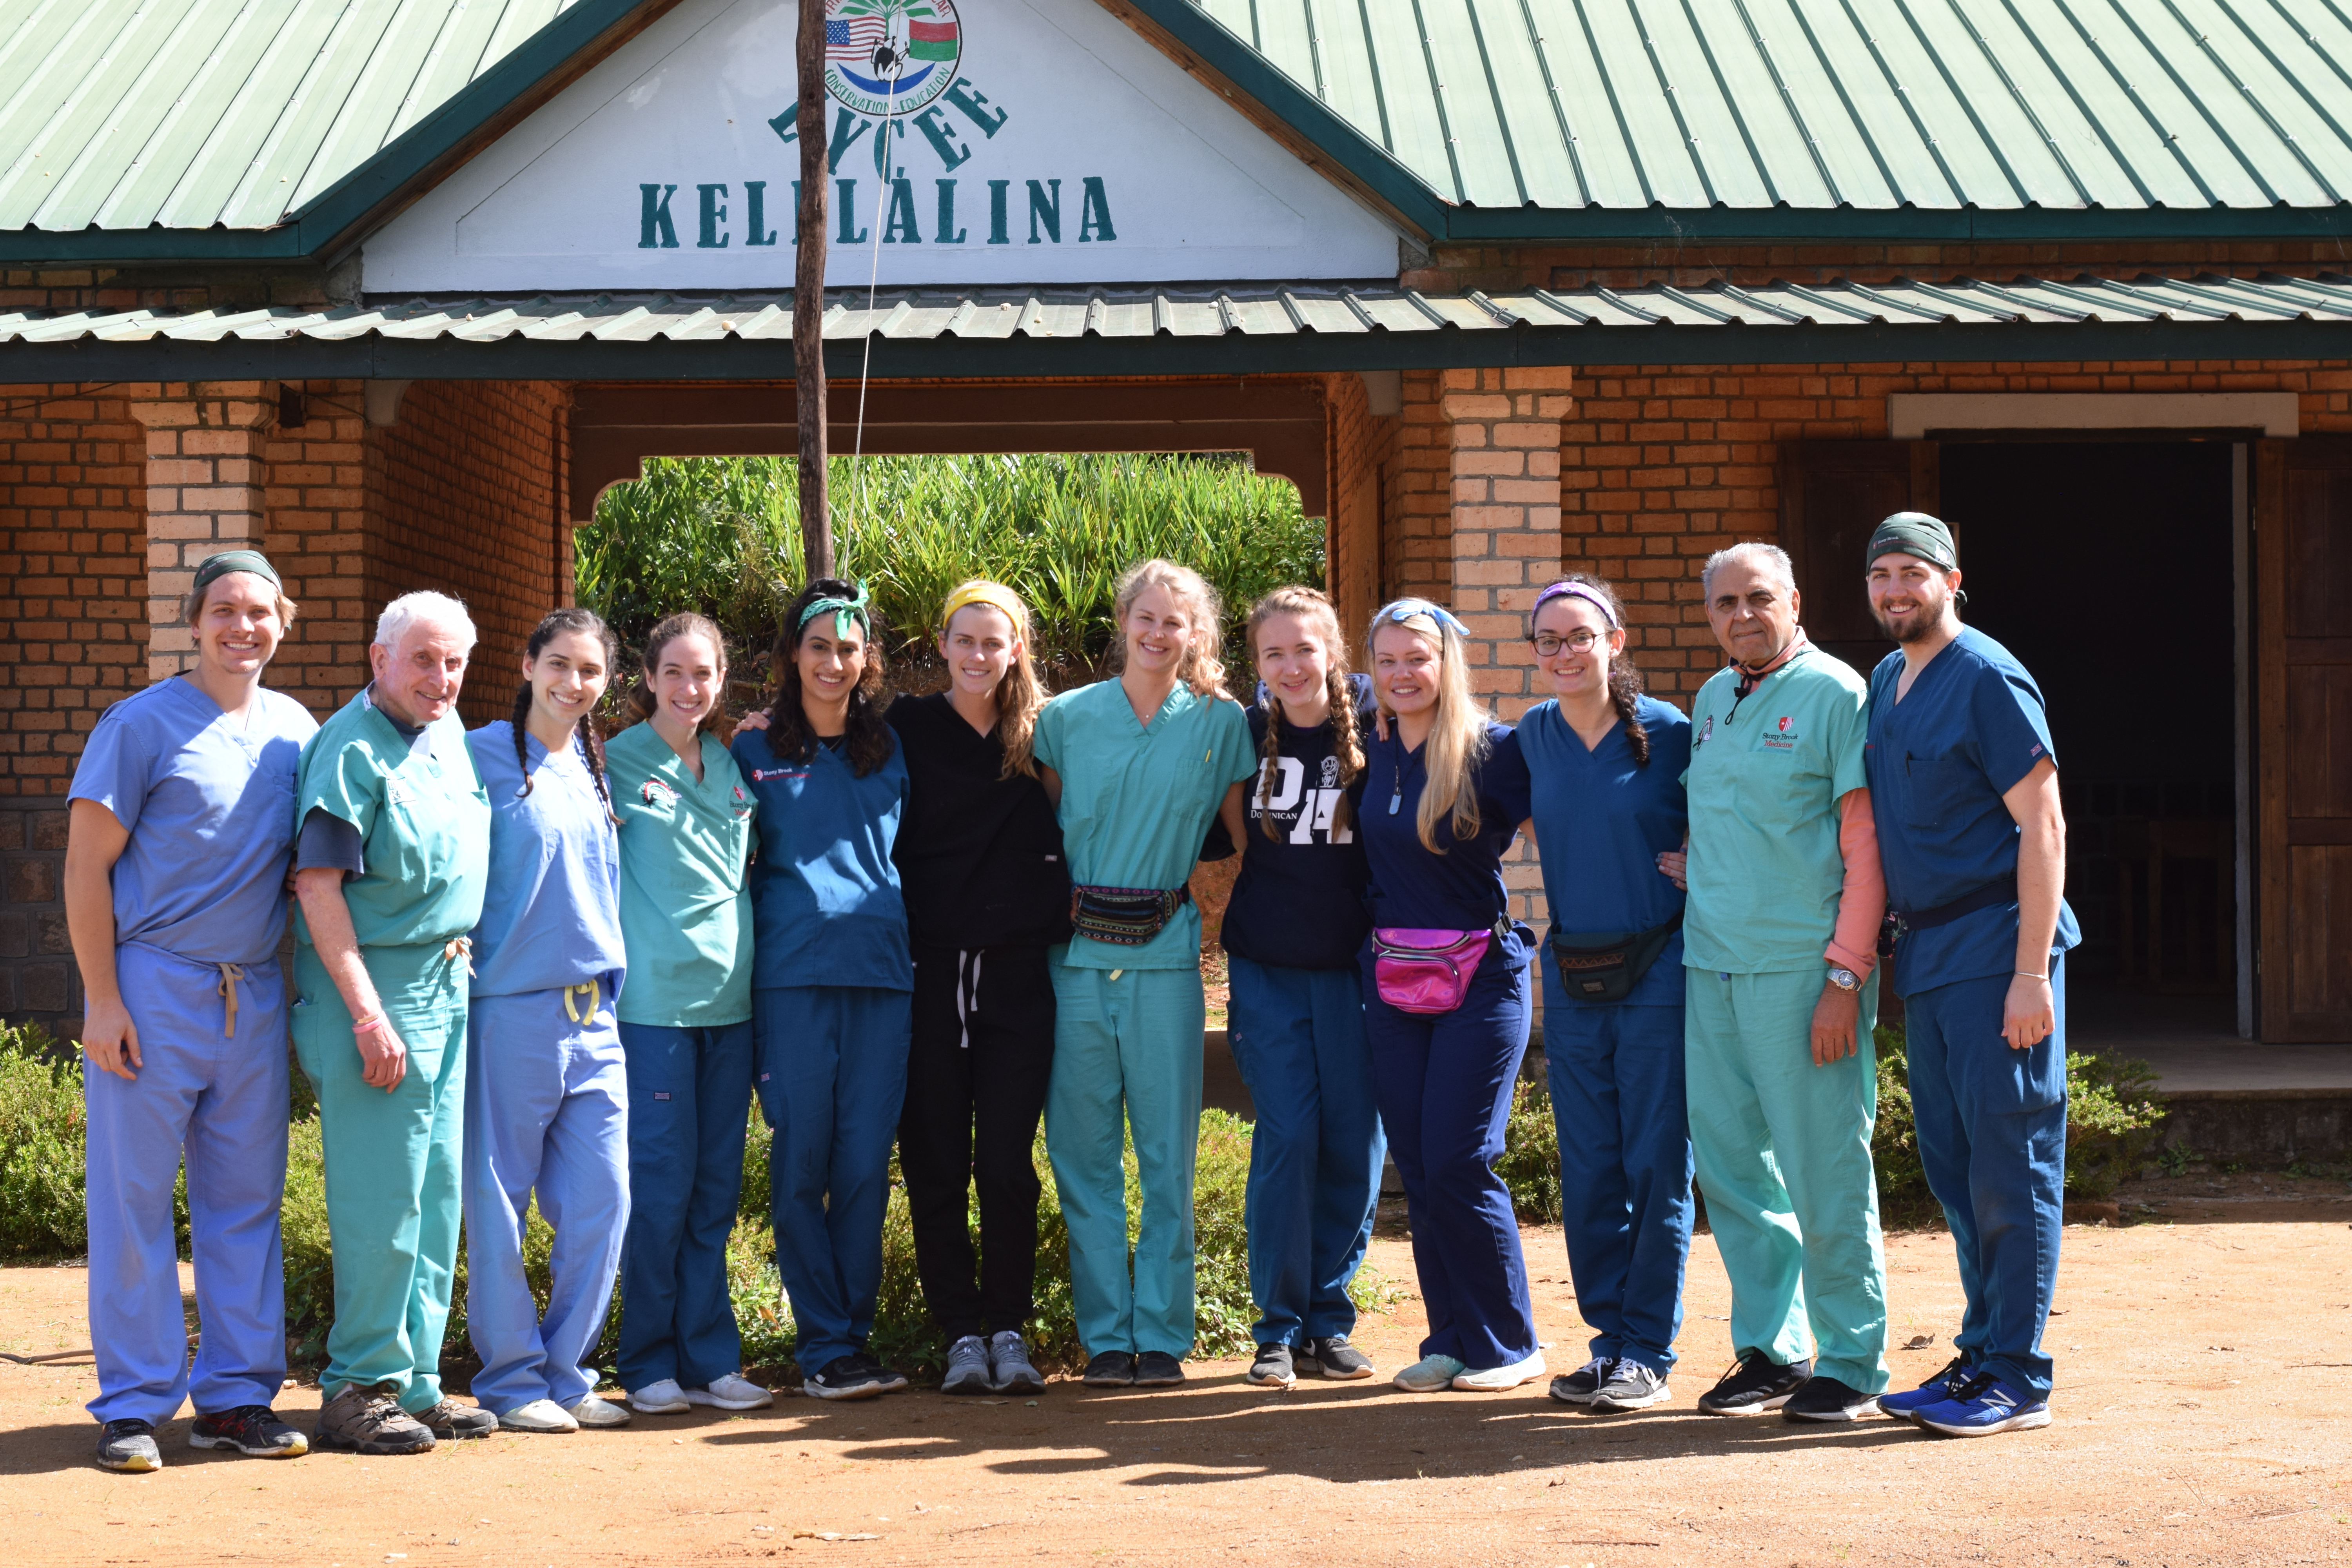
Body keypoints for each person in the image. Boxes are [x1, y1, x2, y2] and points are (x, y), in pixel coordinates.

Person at [64, 550, 319, 1472]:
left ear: (283, 620)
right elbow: (84, 865)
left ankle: (236, 1398)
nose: (241, 626)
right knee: (132, 1200)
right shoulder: (140, 726)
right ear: (194, 620)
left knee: (244, 1200)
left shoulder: (297, 729)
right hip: (152, 988)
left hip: (249, 992)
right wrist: (102, 998)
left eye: (258, 610)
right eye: (223, 610)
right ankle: (133, 1404)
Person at [1860, 513, 2077, 1438]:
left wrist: (2032, 971)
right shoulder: (1885, 678)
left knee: (2011, 1164)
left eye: (1914, 572)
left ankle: (2020, 1375)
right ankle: (1983, 1352)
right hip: (1932, 956)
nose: (1896, 589)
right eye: (1882, 575)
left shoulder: (1987, 676)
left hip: (1999, 950)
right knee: (1956, 1168)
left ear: (1954, 579)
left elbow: (2045, 824)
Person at [1680, 543, 1891, 1423]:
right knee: (1735, 1175)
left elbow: (1866, 843)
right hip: (1712, 965)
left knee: (1825, 1168)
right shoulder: (1714, 696)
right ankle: (1774, 1347)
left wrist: (1845, 974)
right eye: (1725, 602)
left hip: (1804, 973)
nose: (1742, 615)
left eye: (1758, 598)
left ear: (1795, 600)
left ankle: (1851, 1356)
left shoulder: (1837, 693)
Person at [1033, 559, 1254, 1390]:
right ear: (1123, 622)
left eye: (1177, 622)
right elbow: (1044, 834)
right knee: (1082, 1153)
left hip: (1166, 956)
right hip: (1076, 962)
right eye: (1146, 618)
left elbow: (1243, 843)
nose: (1160, 634)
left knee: (1169, 1154)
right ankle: (1103, 1338)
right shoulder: (1064, 719)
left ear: (1197, 632)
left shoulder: (1220, 723)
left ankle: (1160, 1335)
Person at [292, 591, 497, 1453]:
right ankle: (357, 1384)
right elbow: (317, 885)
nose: (441, 677)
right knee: (384, 1200)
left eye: (454, 661)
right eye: (423, 659)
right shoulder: (350, 748)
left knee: (437, 1192)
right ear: (379, 659)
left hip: (449, 984)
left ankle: (413, 1377)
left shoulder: (445, 735)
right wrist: (369, 1014)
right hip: (380, 993)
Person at [1517, 575, 1695, 1414]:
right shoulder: (1531, 737)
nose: (1564, 652)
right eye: (1547, 640)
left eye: (1579, 635)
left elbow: (1743, 815)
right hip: (1574, 974)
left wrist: (1712, 865)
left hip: (1659, 972)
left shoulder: (1671, 733)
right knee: (1589, 1168)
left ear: (1615, 640)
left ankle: (1648, 1349)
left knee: (1656, 1164)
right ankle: (1607, 1341)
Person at [1357, 598, 1544, 1395]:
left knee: (1464, 1159)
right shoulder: (1366, 747)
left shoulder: (1495, 751)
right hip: (1395, 973)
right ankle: (1452, 1338)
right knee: (1424, 1164)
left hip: (1483, 975)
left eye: (1418, 658)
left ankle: (1509, 1343)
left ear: (1447, 663)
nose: (1403, 673)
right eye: (1388, 660)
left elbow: (1577, 817)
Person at [733, 578, 914, 1400]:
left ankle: (856, 1338)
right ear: (790, 656)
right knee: (802, 1162)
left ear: (867, 658)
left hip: (880, 972)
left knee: (866, 1164)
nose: (833, 662)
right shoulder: (753, 747)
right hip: (794, 974)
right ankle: (822, 1344)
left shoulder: (891, 748)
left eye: (848, 648)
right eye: (818, 647)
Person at [887, 581, 1068, 1397]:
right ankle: (959, 1330)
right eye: (964, 640)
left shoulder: (1047, 734)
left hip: (1018, 974)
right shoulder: (905, 727)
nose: (978, 655)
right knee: (933, 1158)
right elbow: (821, 748)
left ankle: (1008, 1326)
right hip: (929, 971)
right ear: (942, 643)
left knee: (1004, 1160)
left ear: (1017, 647)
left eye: (994, 641)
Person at [461, 608, 633, 1433]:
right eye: (559, 663)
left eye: (591, 670)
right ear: (528, 664)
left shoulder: (596, 768)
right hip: (511, 1012)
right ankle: (509, 1377)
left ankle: (567, 1371)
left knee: (604, 1200)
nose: (574, 682)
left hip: (596, 1017)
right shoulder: (478, 754)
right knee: (498, 1200)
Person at [606, 613, 772, 1417]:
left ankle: (711, 1360)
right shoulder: (615, 760)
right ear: (647, 675)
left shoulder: (737, 765)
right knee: (661, 1189)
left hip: (731, 1008)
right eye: (674, 671)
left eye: (703, 672)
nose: (690, 687)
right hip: (653, 1010)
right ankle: (645, 1363)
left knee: (714, 1190)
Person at [1219, 586, 1383, 1390]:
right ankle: (1276, 1329)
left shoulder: (1380, 734)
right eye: (1273, 653)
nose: (1290, 665)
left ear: (1333, 652)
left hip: (1359, 973)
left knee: (1354, 1141)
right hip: (1268, 969)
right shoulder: (1245, 736)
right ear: (1258, 664)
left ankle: (1328, 1318)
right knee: (1288, 1137)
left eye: (1304, 649)